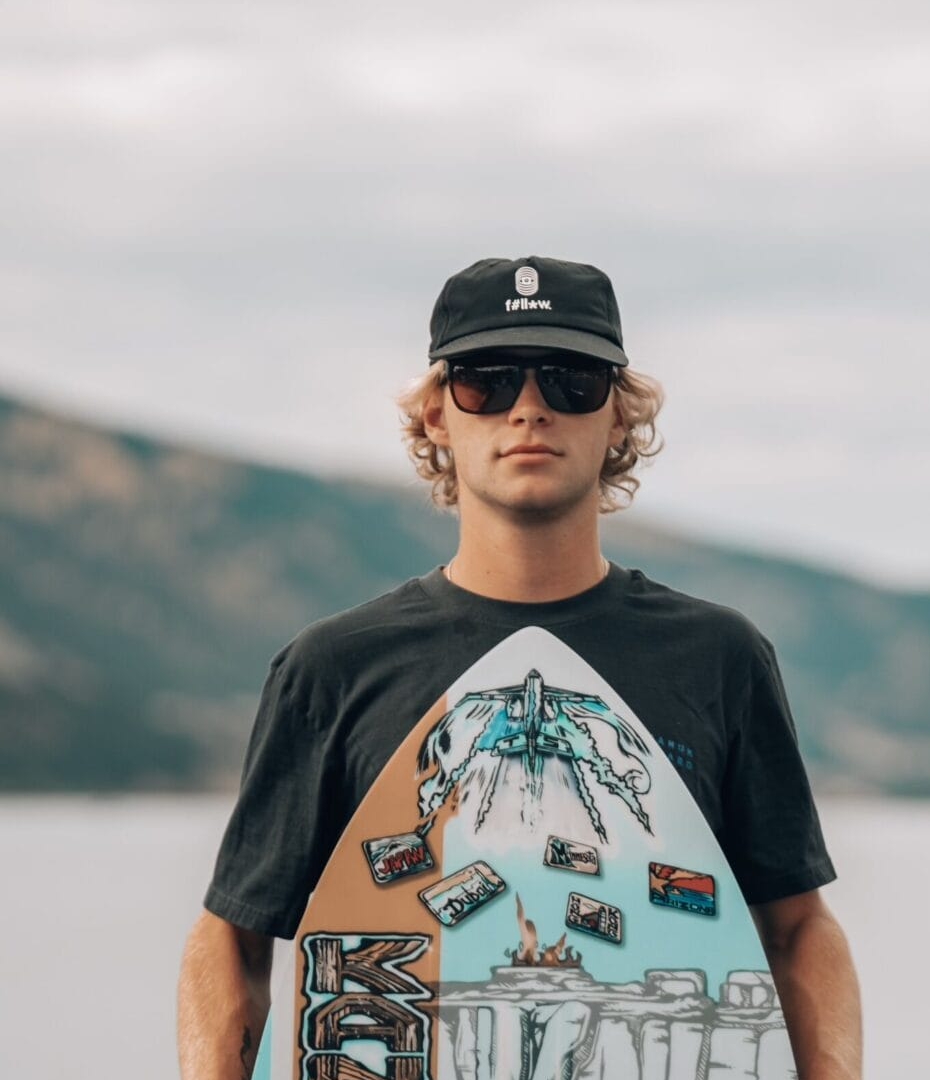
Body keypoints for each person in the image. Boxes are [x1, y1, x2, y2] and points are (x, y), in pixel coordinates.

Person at [177, 255, 862, 1079]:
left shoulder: (719, 659)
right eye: (487, 381)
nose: (530, 408)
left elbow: (795, 929)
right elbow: (234, 938)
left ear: (619, 416)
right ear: (436, 415)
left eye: (572, 380)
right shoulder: (334, 669)